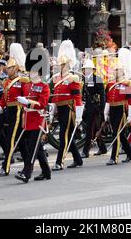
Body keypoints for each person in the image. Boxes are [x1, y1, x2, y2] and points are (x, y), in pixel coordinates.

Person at [0, 43, 27, 176]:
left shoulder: (22, 80)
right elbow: (3, 101)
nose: (6, 70)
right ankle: (28, 165)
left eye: (9, 68)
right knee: (21, 142)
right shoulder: (6, 82)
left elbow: (28, 98)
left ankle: (6, 167)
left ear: (15, 68)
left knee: (11, 140)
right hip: (9, 113)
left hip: (18, 112)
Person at [14, 48, 51, 183]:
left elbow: (42, 104)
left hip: (38, 121)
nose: (31, 74)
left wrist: (28, 102)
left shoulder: (44, 86)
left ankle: (27, 173)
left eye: (33, 71)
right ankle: (46, 171)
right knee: (36, 147)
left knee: (33, 148)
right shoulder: (27, 85)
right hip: (27, 120)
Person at [50, 40, 84, 171]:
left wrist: (79, 115)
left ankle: (60, 161)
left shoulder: (72, 78)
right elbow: (54, 97)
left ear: (68, 64)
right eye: (60, 64)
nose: (61, 66)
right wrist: (52, 112)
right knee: (68, 136)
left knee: (63, 135)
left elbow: (77, 98)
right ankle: (77, 158)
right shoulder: (56, 78)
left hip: (69, 110)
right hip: (60, 109)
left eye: (63, 64)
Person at [104, 48, 131, 165]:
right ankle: (130, 153)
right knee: (120, 134)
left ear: (122, 72)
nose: (115, 72)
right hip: (113, 109)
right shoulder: (111, 84)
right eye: (115, 70)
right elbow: (108, 99)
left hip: (121, 110)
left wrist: (130, 115)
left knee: (116, 133)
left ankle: (114, 157)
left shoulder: (126, 84)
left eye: (118, 70)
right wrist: (106, 112)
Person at [80, 58, 107, 158]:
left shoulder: (98, 79)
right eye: (85, 69)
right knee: (95, 128)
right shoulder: (85, 80)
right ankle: (102, 147)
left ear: (93, 70)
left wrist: (102, 109)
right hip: (88, 107)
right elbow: (84, 95)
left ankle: (85, 151)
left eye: (88, 69)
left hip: (96, 108)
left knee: (89, 130)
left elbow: (102, 95)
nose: (86, 71)